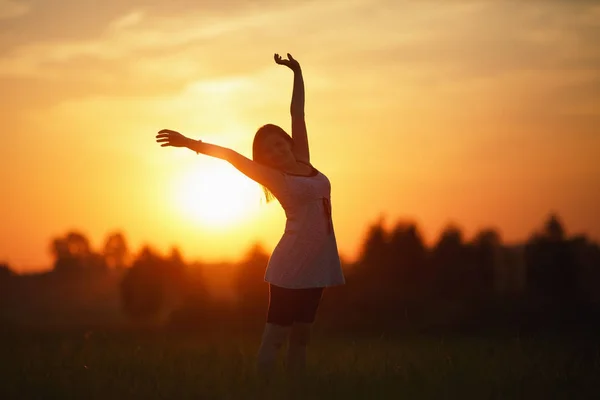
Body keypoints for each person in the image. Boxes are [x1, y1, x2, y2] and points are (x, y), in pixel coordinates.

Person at [155, 53, 345, 377]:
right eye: (268, 149)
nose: (277, 149)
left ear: (288, 141)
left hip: (321, 261)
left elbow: (297, 112)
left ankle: (295, 391)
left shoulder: (304, 159)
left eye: (278, 142)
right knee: (276, 337)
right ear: (264, 160)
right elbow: (229, 156)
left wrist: (296, 72)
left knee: (302, 338)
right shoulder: (275, 178)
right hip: (291, 263)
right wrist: (188, 142)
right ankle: (263, 390)